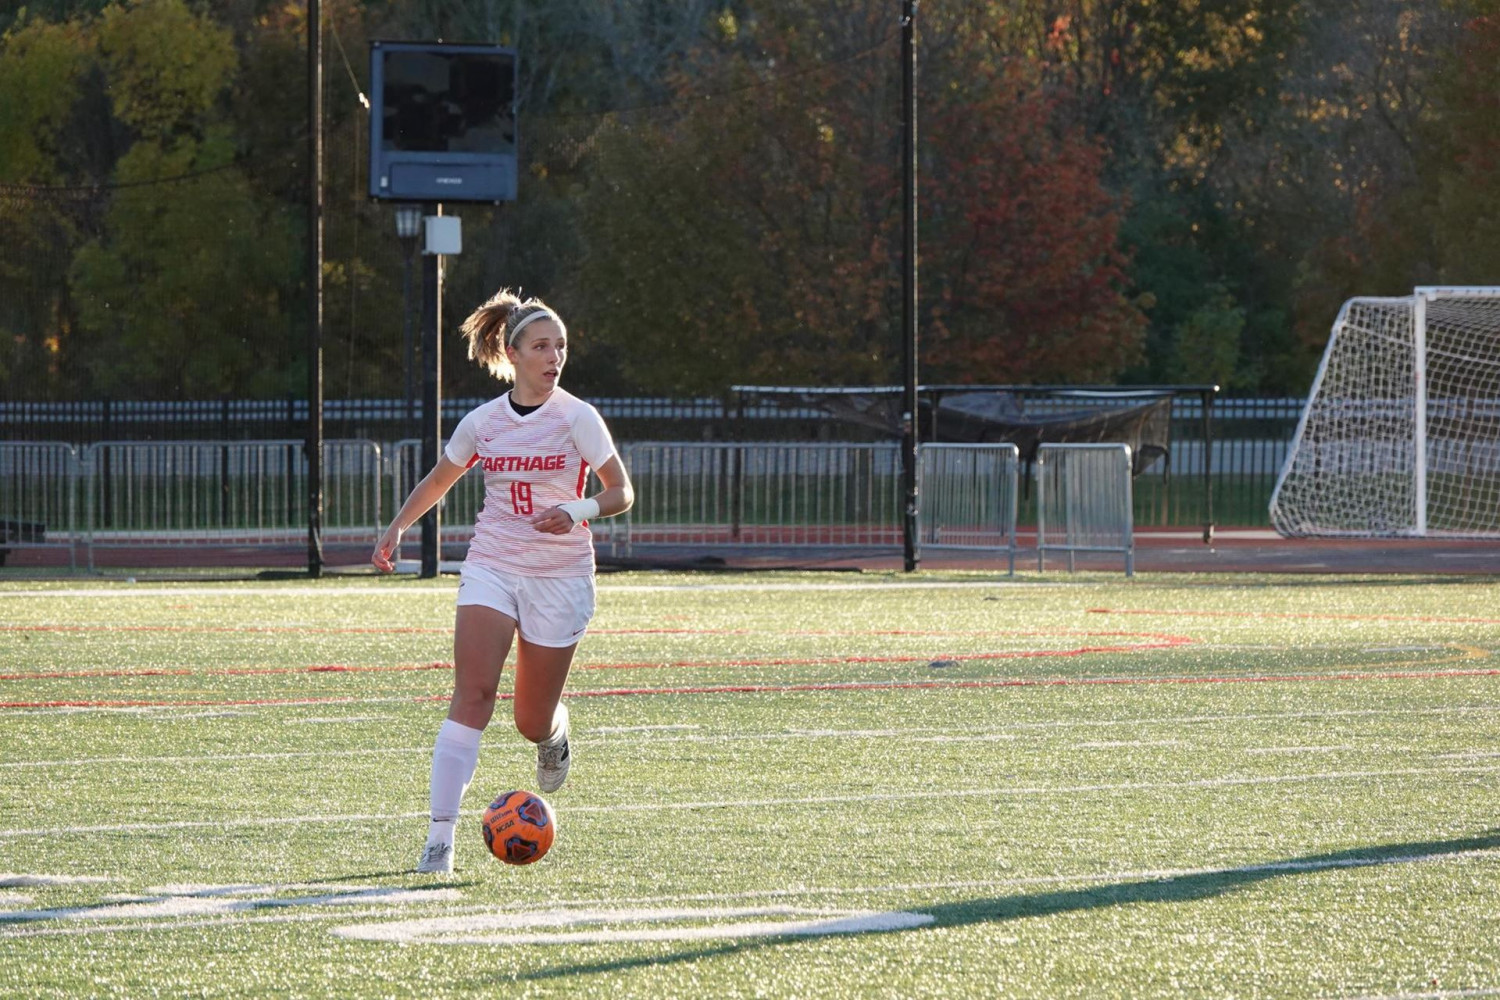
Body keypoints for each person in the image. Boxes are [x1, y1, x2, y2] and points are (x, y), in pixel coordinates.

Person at [371, 289, 633, 874]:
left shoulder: (577, 417)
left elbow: (621, 492)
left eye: (560, 346)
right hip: (492, 564)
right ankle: (439, 840)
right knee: (473, 694)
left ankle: (553, 733)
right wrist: (397, 526)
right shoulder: (483, 421)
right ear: (512, 354)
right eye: (541, 346)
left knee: (529, 720)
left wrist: (577, 510)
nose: (554, 356)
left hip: (559, 576)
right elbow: (439, 479)